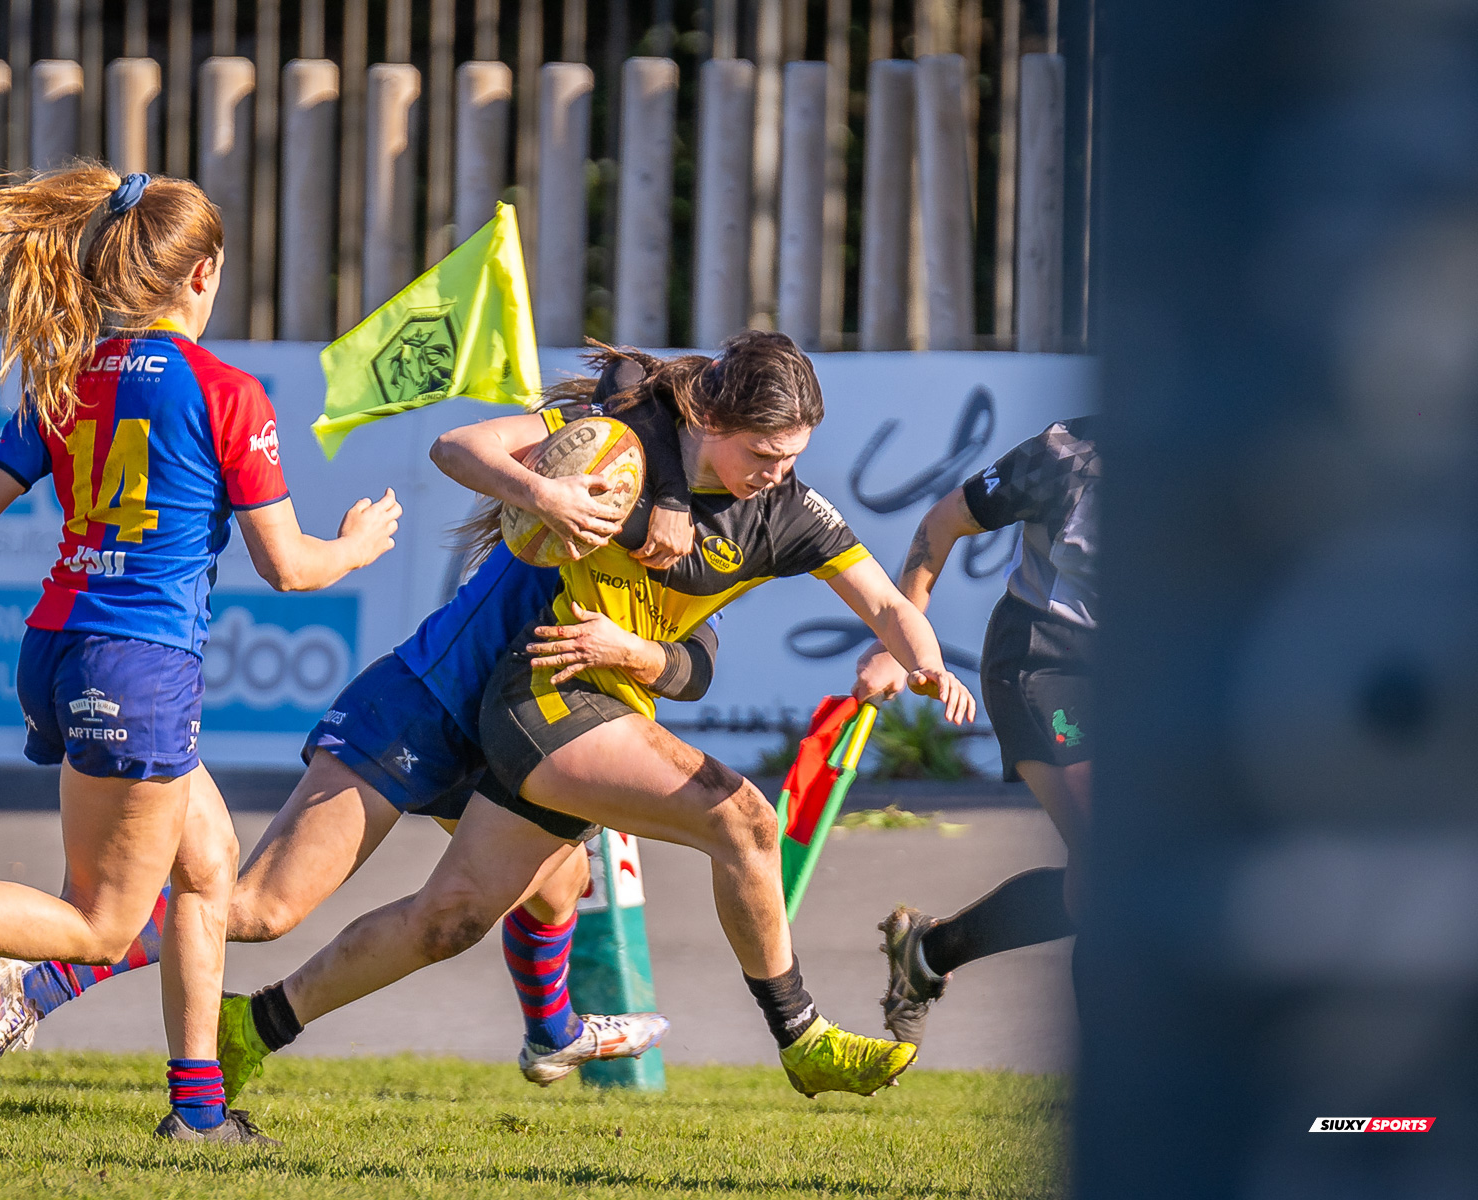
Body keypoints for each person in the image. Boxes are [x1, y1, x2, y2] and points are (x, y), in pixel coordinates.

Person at [0, 166, 400, 1144]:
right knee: (100, 924)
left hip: (59, 649)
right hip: (140, 668)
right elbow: (288, 568)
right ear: (202, 274)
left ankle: (199, 1115)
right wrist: (358, 544)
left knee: (209, 863)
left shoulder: (66, 375)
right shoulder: (228, 394)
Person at [208, 332, 979, 1102]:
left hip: (597, 703)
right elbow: (478, 441)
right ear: (710, 418)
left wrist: (924, 659)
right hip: (545, 691)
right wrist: (550, 495)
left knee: (451, 918)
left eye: (792, 458)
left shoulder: (785, 511)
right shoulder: (618, 443)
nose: (777, 476)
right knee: (745, 821)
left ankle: (255, 1026)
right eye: (764, 455)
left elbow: (879, 602)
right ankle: (800, 1033)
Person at [0, 356, 702, 1096]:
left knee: (560, 882)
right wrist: (547, 487)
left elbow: (697, 654)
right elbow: (491, 436)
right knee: (258, 907)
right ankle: (37, 981)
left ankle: (551, 1035)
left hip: (510, 729)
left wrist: (643, 654)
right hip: (421, 703)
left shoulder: (690, 529)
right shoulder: (598, 466)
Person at [872, 416, 1099, 1048]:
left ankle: (930, 950)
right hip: (1045, 660)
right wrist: (900, 641)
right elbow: (943, 523)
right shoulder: (1068, 455)